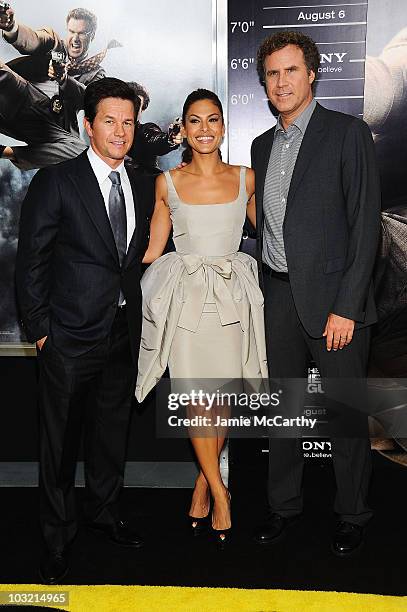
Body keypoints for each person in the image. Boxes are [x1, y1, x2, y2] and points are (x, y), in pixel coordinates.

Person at [15, 77, 154, 583]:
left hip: (122, 332)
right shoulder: (56, 181)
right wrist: (42, 331)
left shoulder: (142, 181)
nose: (120, 132)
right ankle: (56, 538)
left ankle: (103, 512)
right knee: (59, 445)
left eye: (128, 122)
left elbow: (137, 259)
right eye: (110, 121)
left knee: (111, 435)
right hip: (68, 337)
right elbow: (31, 263)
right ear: (87, 124)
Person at [251, 32, 381, 556]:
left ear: (311, 75)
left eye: (290, 71)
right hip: (278, 298)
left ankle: (352, 514)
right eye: (272, 74)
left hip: (335, 305)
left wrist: (347, 306)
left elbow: (365, 224)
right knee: (282, 413)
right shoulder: (262, 146)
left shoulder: (347, 133)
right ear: (264, 83)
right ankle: (284, 508)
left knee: (345, 416)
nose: (281, 82)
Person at [135, 88, 268, 546]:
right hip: (188, 301)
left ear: (224, 127)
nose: (205, 129)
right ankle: (220, 491)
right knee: (196, 400)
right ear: (184, 129)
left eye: (213, 120)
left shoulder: (247, 178)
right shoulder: (166, 183)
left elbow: (270, 238)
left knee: (223, 398)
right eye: (195, 120)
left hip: (232, 296)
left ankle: (201, 484)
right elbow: (153, 249)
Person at [0, 6, 117, 168]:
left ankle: (5, 152)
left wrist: (64, 80)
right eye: (72, 32)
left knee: (81, 153)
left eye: (82, 33)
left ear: (92, 36)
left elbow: (90, 100)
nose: (75, 39)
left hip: (45, 126)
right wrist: (11, 27)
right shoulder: (53, 43)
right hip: (14, 96)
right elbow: (32, 40)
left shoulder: (97, 74)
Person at [127, 81, 182, 174]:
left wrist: (170, 139)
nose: (132, 110)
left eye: (137, 106)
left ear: (142, 110)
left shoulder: (145, 131)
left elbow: (156, 139)